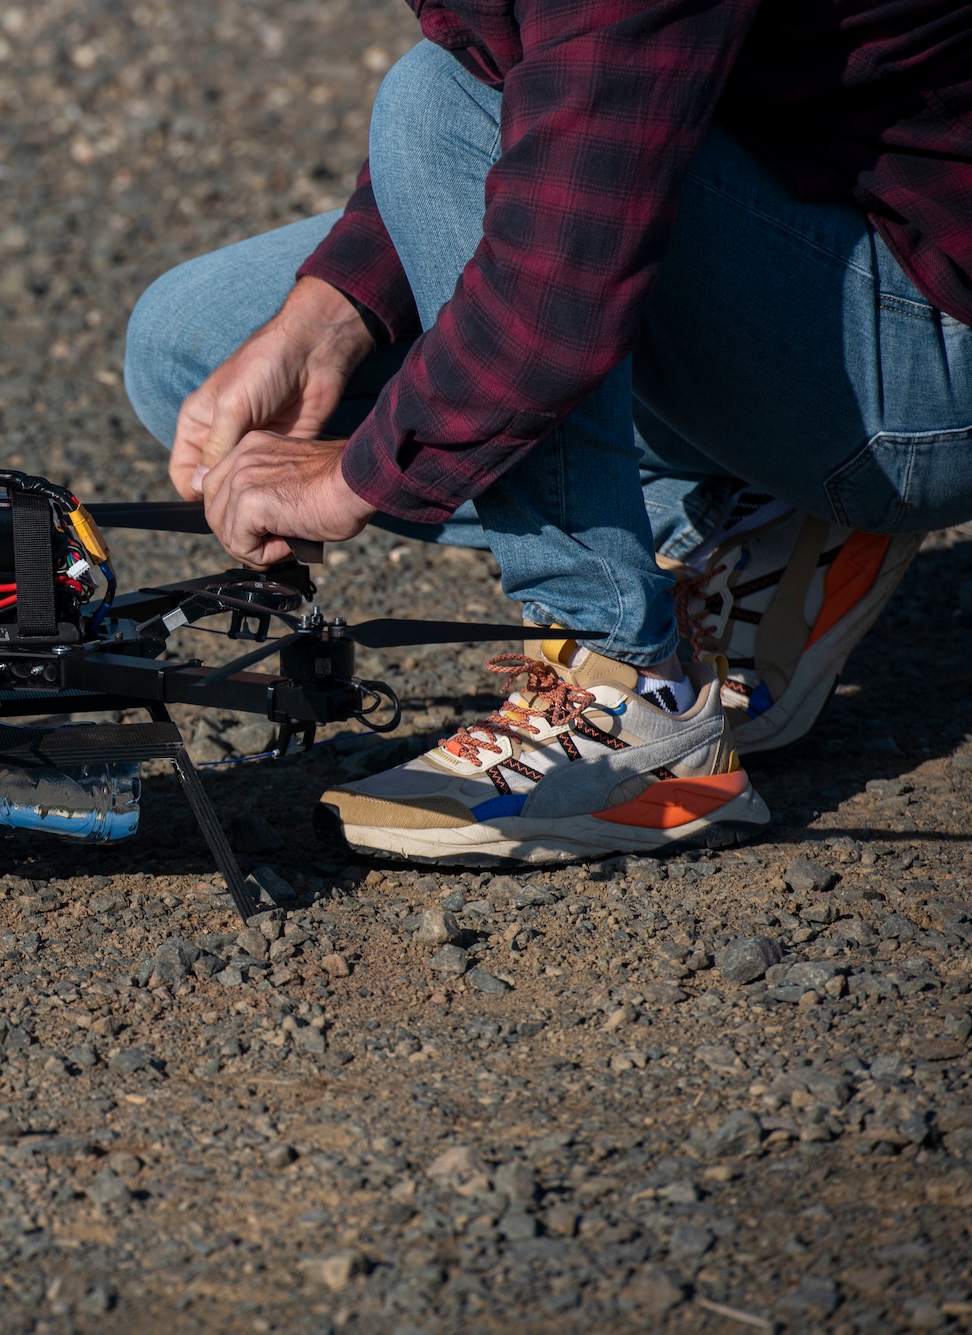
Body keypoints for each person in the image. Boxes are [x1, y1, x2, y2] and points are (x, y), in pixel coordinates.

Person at [124, 0, 972, 867]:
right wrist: (328, 321)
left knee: (438, 99)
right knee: (193, 345)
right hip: (781, 188)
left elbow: (551, 262)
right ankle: (742, 509)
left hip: (933, 343)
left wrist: (353, 477)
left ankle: (628, 697)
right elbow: (545, 87)